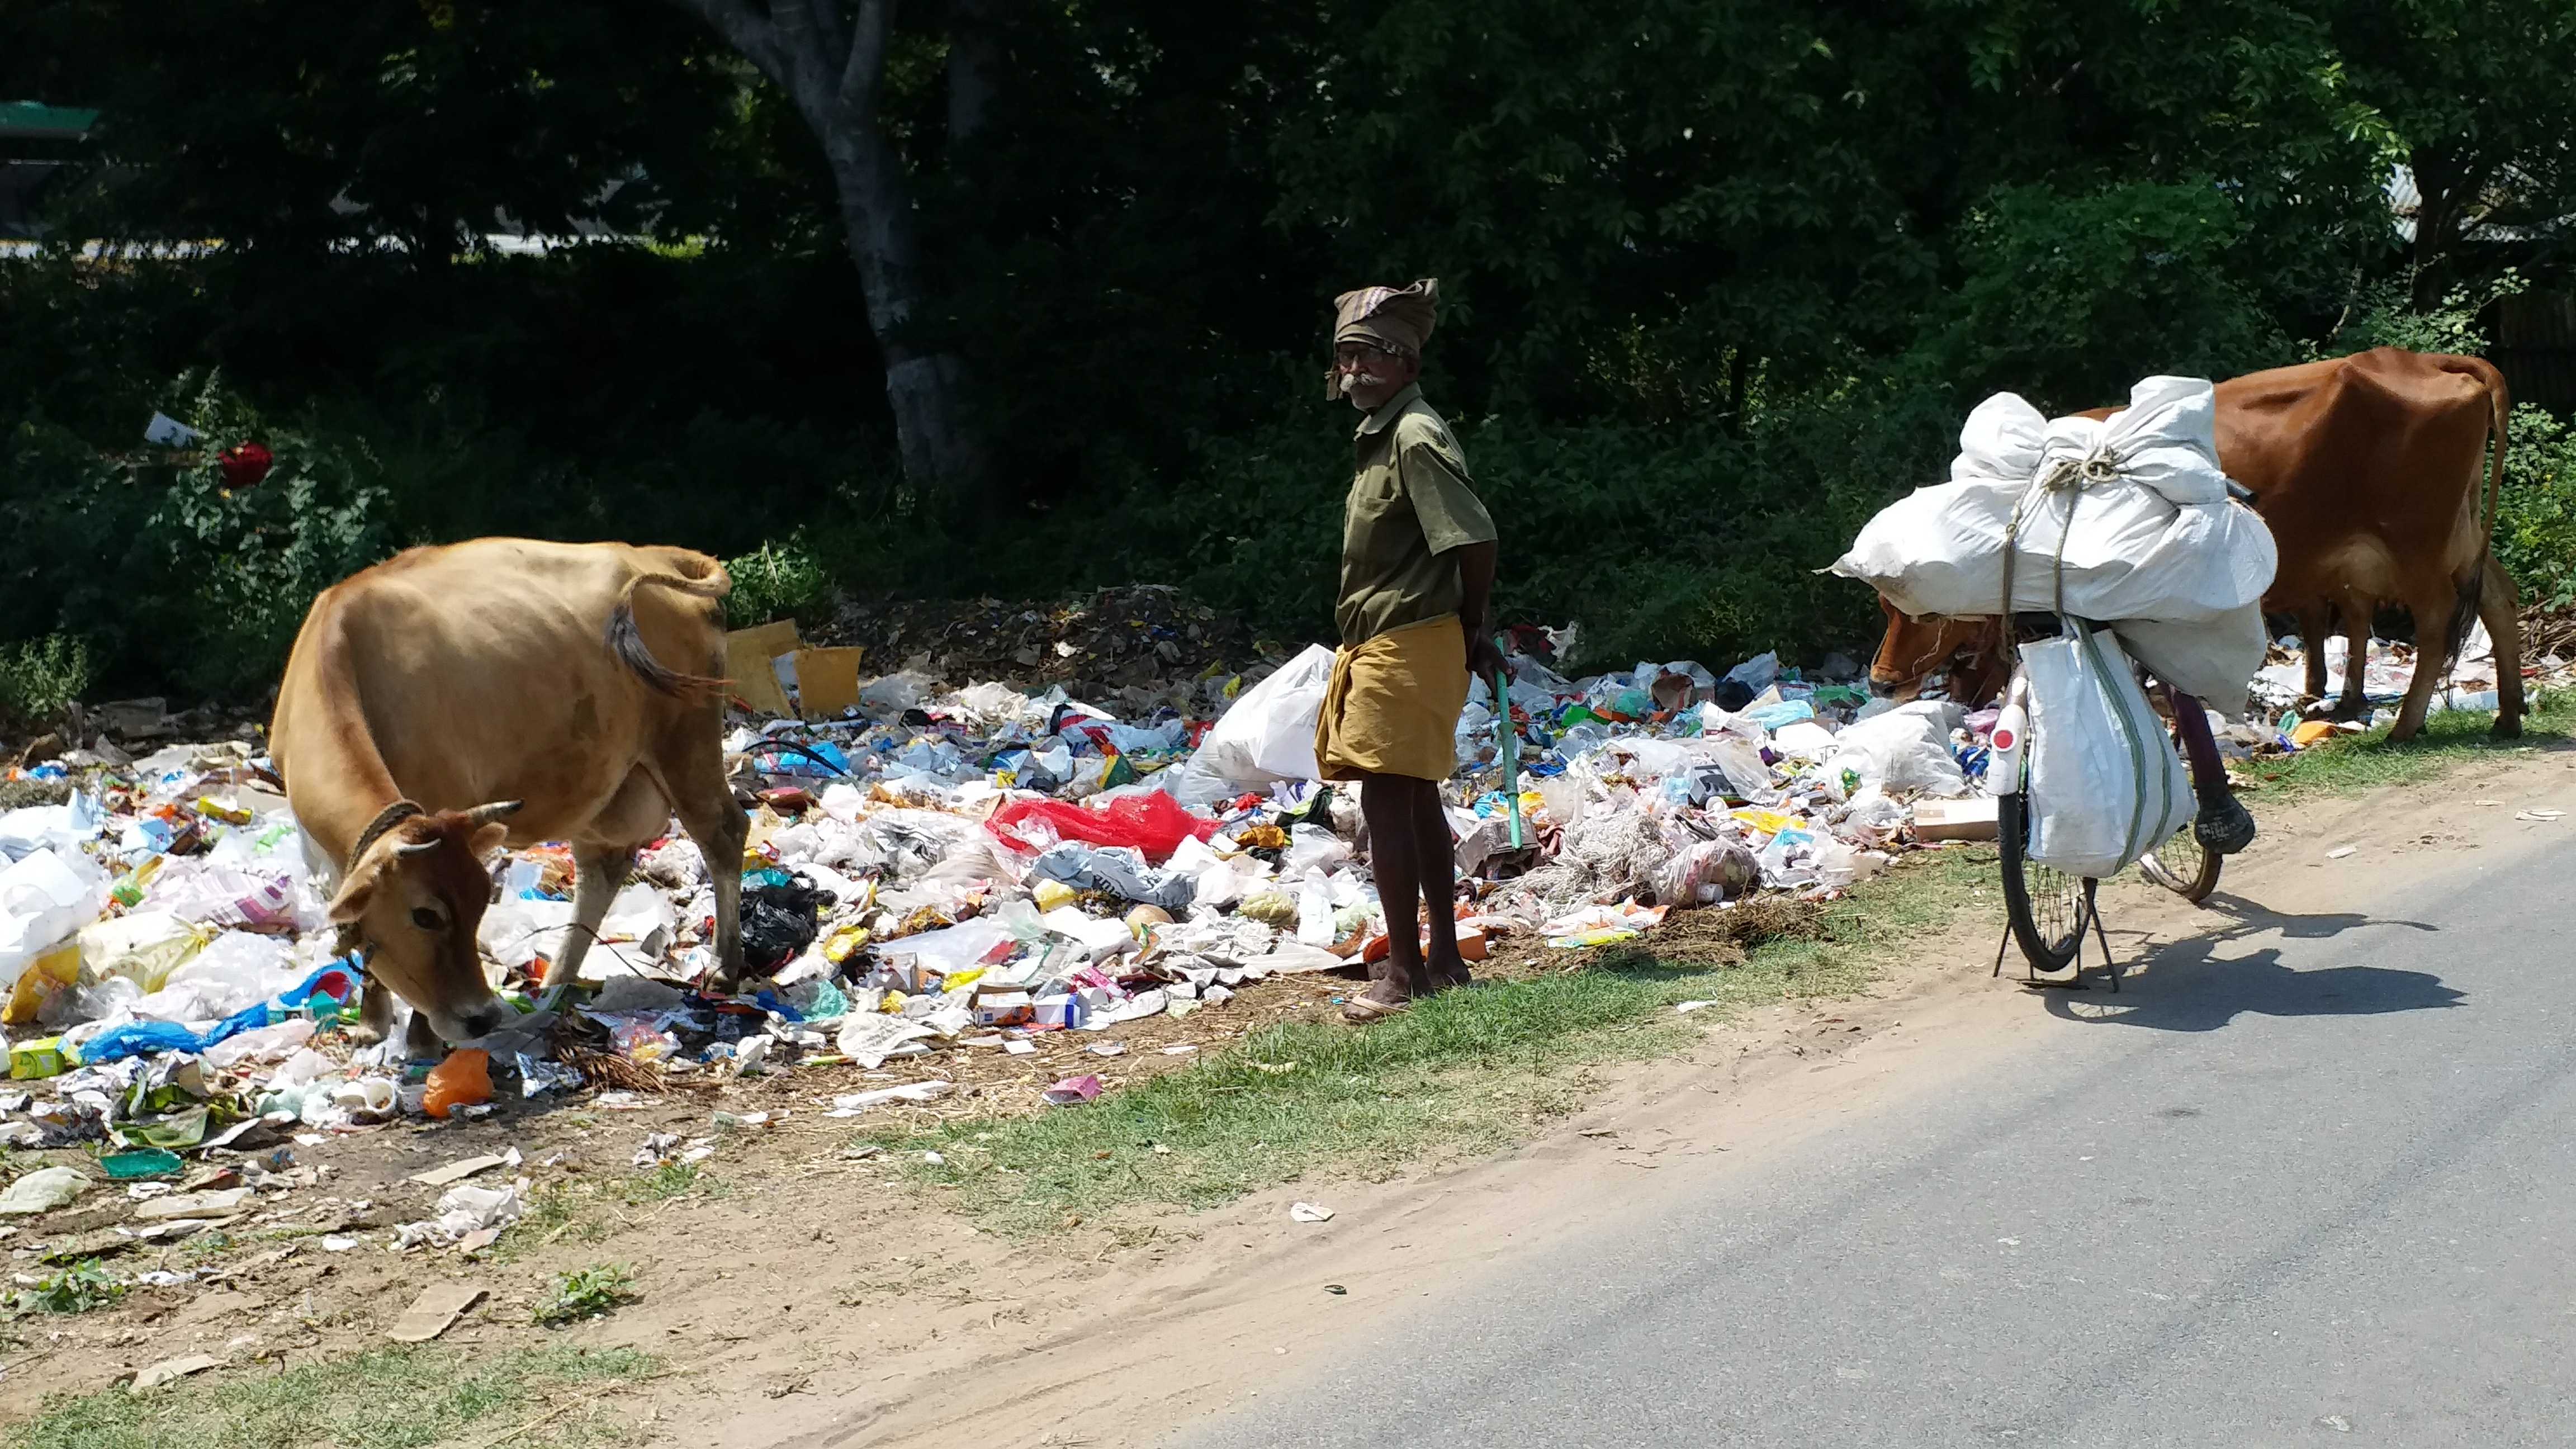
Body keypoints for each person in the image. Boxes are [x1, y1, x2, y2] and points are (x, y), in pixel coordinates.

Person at [1311, 278, 1505, 1024]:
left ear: (1408, 367)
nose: (1353, 371)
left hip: (1410, 638)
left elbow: (1475, 536)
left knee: (1386, 797)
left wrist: (1472, 626)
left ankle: (1402, 976)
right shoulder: (1382, 435)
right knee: (1415, 795)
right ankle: (1445, 962)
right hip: (1395, 638)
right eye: (1344, 357)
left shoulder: (1414, 436)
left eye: (1370, 357)